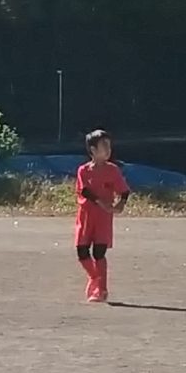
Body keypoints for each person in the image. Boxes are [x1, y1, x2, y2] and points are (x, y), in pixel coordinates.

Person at [72, 128, 130, 305]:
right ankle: (94, 278)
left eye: (109, 146)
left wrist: (120, 204)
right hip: (86, 216)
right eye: (104, 146)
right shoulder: (83, 170)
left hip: (103, 218)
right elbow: (84, 191)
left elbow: (124, 190)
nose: (108, 150)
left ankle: (101, 289)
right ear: (93, 150)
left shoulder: (113, 170)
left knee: (99, 252)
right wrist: (101, 202)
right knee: (82, 251)